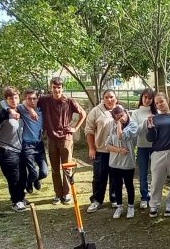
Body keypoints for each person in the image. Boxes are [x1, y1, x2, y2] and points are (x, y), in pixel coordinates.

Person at [39, 77, 86, 205]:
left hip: (66, 138)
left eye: (59, 87)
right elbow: (28, 103)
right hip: (51, 138)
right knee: (54, 168)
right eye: (54, 87)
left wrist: (75, 128)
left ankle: (66, 193)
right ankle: (57, 194)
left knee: (67, 166)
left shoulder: (69, 101)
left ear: (62, 88)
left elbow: (83, 113)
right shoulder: (44, 100)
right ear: (50, 87)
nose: (56, 90)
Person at [0, 87, 27, 211]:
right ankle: (16, 201)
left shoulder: (21, 110)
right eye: (10, 98)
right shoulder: (2, 114)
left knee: (23, 175)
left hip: (19, 149)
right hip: (6, 149)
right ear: (6, 99)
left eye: (15, 97)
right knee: (13, 176)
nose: (13, 100)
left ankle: (21, 197)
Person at [145, 92, 170, 218]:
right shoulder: (154, 118)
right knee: (156, 181)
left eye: (161, 101)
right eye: (157, 103)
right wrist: (151, 128)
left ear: (167, 100)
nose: (159, 104)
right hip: (158, 153)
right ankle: (154, 204)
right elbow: (150, 138)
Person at [85, 89, 118, 213]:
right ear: (103, 99)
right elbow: (89, 131)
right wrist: (92, 148)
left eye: (112, 97)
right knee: (99, 176)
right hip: (101, 150)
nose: (109, 100)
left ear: (116, 98)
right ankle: (97, 200)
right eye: (106, 97)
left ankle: (114, 198)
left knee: (115, 176)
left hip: (116, 150)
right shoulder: (96, 111)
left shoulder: (120, 110)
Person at [106, 105, 138, 219]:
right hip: (114, 163)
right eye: (117, 117)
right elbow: (107, 145)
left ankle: (130, 206)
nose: (121, 118)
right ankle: (119, 206)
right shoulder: (113, 128)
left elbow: (121, 136)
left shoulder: (133, 125)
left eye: (122, 115)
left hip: (128, 163)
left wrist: (119, 124)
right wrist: (119, 150)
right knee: (117, 185)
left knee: (129, 185)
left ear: (125, 112)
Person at [17, 89, 49, 193]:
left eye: (34, 98)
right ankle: (30, 181)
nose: (32, 101)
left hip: (39, 145)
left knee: (44, 172)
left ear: (37, 99)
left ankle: (33, 180)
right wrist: (29, 109)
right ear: (25, 99)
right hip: (27, 145)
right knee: (33, 172)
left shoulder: (42, 110)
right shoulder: (22, 109)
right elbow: (4, 103)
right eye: (29, 99)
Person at [131, 88, 157, 210]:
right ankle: (144, 196)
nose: (147, 100)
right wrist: (146, 122)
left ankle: (153, 196)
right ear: (141, 97)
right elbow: (136, 131)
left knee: (155, 173)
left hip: (156, 147)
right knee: (143, 173)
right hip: (142, 147)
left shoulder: (156, 111)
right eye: (145, 97)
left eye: (150, 98)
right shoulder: (135, 113)